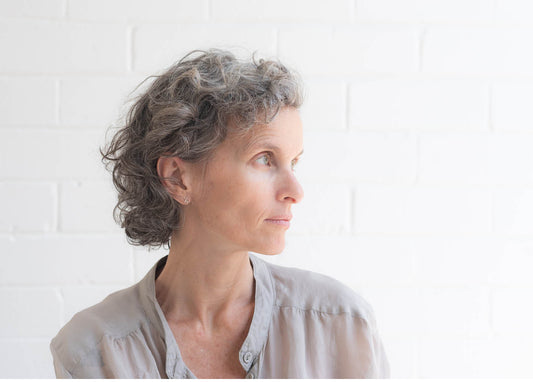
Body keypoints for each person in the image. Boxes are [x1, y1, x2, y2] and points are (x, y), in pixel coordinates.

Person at [49, 49, 390, 378]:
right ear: (177, 177)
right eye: (264, 158)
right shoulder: (94, 351)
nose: (295, 192)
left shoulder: (340, 324)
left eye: (294, 162)